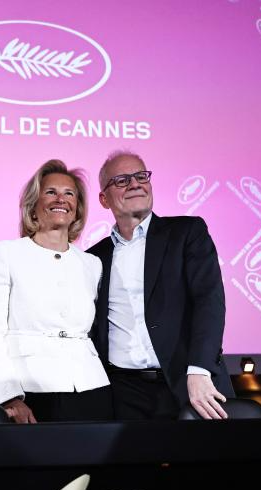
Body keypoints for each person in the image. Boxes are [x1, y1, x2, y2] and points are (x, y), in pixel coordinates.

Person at [88, 151, 234, 420]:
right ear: (103, 199)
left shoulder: (187, 233)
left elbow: (209, 302)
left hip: (189, 384)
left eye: (141, 176)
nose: (135, 184)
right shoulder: (94, 258)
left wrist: (199, 370)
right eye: (122, 180)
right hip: (122, 394)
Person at [0, 159, 112, 423]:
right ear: (34, 205)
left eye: (69, 193)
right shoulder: (6, 253)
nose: (61, 199)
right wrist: (8, 396)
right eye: (51, 192)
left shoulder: (92, 264)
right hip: (30, 391)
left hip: (91, 389)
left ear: (77, 209)